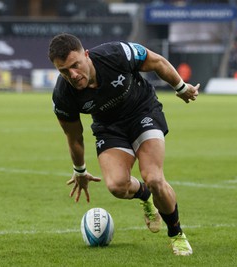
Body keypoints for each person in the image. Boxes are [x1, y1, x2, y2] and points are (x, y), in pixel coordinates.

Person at [48, 33, 199, 256]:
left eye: (75, 65)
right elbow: (74, 137)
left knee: (154, 177)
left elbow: (156, 61)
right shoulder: (63, 95)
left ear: (86, 55)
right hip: (109, 128)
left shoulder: (116, 53)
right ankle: (145, 196)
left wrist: (180, 87)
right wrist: (79, 170)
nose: (72, 74)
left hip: (142, 112)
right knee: (117, 186)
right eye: (63, 71)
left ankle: (176, 234)